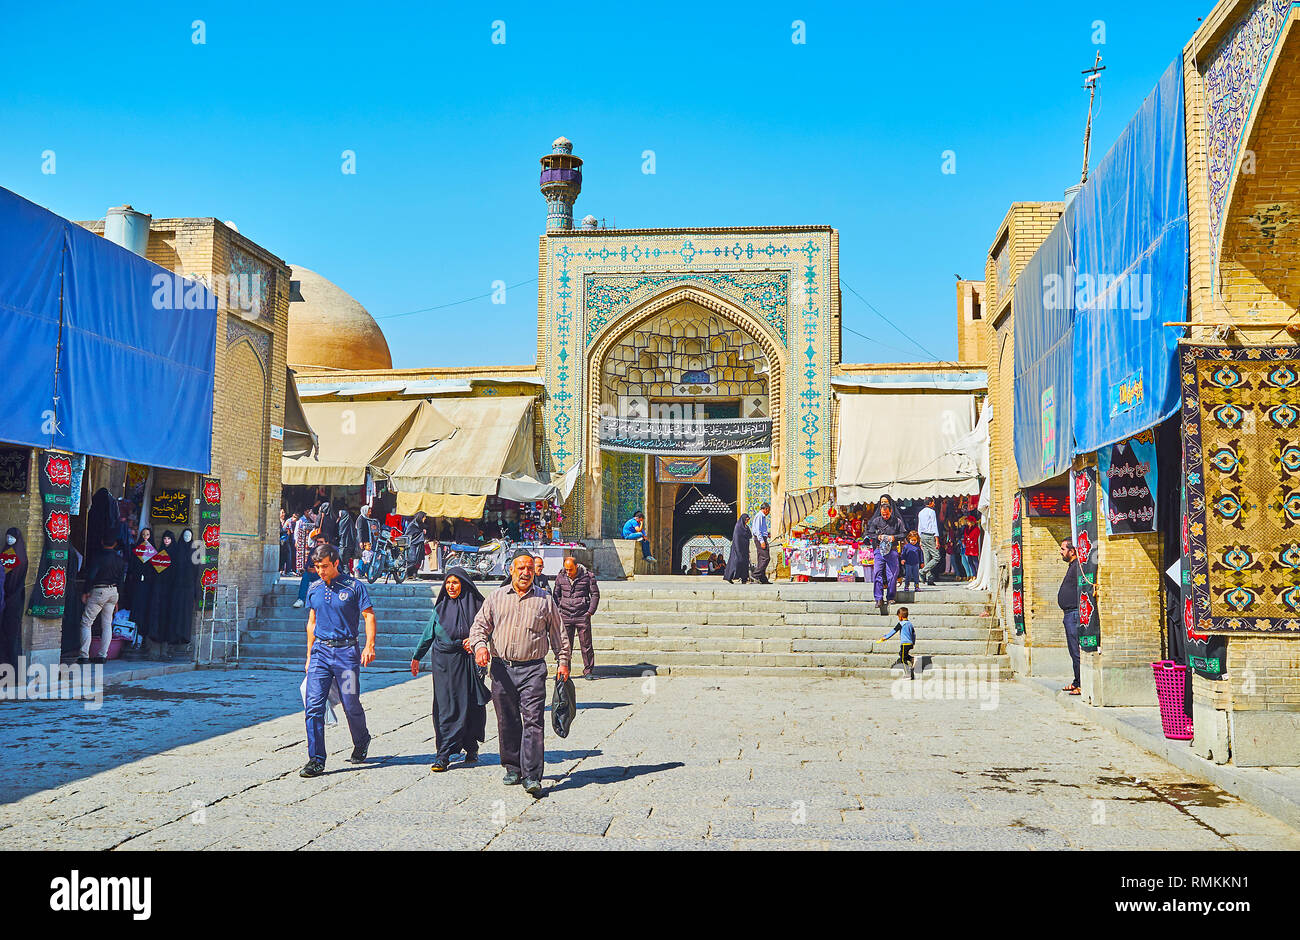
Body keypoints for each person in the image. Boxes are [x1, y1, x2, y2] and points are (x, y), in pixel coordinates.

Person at [469, 552, 571, 798]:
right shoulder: (496, 598)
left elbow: (559, 633)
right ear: (511, 570)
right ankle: (513, 767)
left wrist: (563, 661)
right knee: (507, 720)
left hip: (533, 669)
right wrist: (480, 646)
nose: (525, 572)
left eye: (529, 568)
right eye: (520, 568)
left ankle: (533, 775)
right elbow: (479, 627)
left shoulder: (545, 600)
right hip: (502, 669)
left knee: (534, 720)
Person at [301, 543, 377, 778]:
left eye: (324, 566)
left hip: (346, 654)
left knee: (350, 702)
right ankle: (316, 759)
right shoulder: (313, 588)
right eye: (317, 567)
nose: (321, 571)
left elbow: (368, 615)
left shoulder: (354, 587)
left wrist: (369, 646)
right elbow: (311, 622)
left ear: (335, 563)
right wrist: (308, 655)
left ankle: (361, 739)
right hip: (320, 654)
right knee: (313, 706)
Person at [411, 566, 488, 772]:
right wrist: (417, 656)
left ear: (464, 583)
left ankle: (471, 746)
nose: (451, 586)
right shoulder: (440, 609)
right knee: (446, 706)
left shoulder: (478, 605)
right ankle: (443, 754)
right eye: (448, 582)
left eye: (455, 582)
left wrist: (475, 641)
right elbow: (428, 634)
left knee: (471, 704)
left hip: (468, 662)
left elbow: (489, 629)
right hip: (444, 663)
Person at [552, 555, 600, 679]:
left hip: (582, 614)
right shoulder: (560, 576)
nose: (568, 572)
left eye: (571, 569)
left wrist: (590, 612)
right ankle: (564, 669)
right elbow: (556, 594)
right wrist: (559, 609)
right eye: (566, 569)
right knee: (565, 645)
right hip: (565, 615)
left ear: (576, 567)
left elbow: (595, 594)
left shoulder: (588, 576)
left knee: (586, 644)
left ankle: (588, 670)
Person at [79, 536, 125, 664]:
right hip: (113, 592)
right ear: (115, 543)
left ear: (102, 541)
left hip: (99, 591)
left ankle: (84, 655)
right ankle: (102, 655)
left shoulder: (98, 557)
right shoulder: (119, 559)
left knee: (86, 622)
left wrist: (85, 591)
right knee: (107, 624)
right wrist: (117, 600)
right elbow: (121, 581)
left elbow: (91, 576)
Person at [866, 495, 907, 613]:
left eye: (887, 514)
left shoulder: (897, 521)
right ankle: (878, 599)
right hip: (879, 551)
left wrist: (894, 538)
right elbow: (870, 533)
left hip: (892, 551)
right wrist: (877, 537)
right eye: (883, 514)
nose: (885, 516)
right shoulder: (876, 521)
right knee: (877, 573)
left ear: (891, 511)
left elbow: (903, 534)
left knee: (892, 575)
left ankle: (890, 597)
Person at [162, 528, 198, 655]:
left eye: (190, 535)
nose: (187, 537)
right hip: (177, 587)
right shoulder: (177, 550)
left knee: (186, 614)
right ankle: (174, 638)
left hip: (188, 587)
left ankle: (184, 638)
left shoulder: (196, 551)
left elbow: (197, 572)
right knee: (176, 612)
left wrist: (196, 591)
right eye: (185, 535)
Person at [2, 527, 29, 671]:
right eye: (8, 536)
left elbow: (4, 580)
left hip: (8, 599)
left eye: (12, 537)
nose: (9, 539)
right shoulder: (22, 553)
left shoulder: (10, 556)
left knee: (8, 636)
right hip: (17, 599)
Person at [1058, 539, 1081, 695]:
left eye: (1063, 548)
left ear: (1072, 551)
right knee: (1073, 650)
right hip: (1069, 614)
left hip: (1074, 613)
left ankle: (1082, 683)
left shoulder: (1078, 566)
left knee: (1077, 650)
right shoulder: (1072, 566)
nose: (1061, 551)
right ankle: (1076, 681)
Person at [879, 606, 917, 679]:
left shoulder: (901, 624)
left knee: (903, 659)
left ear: (900, 617)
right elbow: (914, 634)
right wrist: (913, 643)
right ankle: (912, 659)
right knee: (902, 654)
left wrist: (885, 637)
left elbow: (893, 631)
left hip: (904, 643)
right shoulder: (910, 624)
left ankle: (908, 674)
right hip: (910, 643)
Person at [293, 533, 328, 608]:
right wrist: (312, 569)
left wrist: (317, 568)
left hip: (327, 575)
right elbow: (308, 566)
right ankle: (301, 599)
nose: (319, 544)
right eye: (317, 542)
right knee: (306, 576)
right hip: (315, 574)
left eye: (321, 542)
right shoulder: (313, 551)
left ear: (326, 543)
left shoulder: (331, 552)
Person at [724, 513, 752, 584]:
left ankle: (744, 579)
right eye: (746, 520)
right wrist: (737, 550)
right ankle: (729, 577)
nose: (747, 521)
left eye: (748, 520)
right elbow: (736, 539)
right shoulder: (738, 527)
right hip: (737, 548)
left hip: (745, 549)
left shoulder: (746, 527)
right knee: (736, 563)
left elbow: (750, 535)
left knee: (745, 563)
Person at [917, 497, 940, 586]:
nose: (934, 504)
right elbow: (934, 525)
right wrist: (937, 539)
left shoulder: (921, 512)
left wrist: (920, 538)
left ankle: (928, 577)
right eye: (933, 502)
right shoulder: (932, 512)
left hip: (922, 535)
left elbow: (919, 525)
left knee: (927, 556)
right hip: (929, 535)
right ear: (930, 503)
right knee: (936, 556)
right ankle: (922, 571)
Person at [750, 502, 772, 585]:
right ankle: (756, 574)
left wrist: (767, 534)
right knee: (766, 558)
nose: (769, 512)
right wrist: (762, 541)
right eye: (768, 510)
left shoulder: (762, 517)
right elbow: (757, 530)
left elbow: (761, 529)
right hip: (760, 539)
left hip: (762, 537)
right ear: (765, 509)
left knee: (761, 558)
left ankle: (762, 578)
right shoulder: (760, 516)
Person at [404, 511, 427, 578]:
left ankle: (414, 575)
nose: (425, 519)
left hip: (419, 545)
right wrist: (421, 532)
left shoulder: (420, 525)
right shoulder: (413, 525)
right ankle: (406, 573)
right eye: (424, 517)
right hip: (413, 544)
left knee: (418, 560)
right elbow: (409, 534)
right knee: (412, 560)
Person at [336, 507, 357, 576]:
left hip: (343, 545)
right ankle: (346, 575)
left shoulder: (342, 523)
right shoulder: (351, 524)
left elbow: (340, 533)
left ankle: (346, 575)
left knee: (343, 562)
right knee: (346, 562)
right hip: (349, 546)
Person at [294, 509, 315, 574]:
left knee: (307, 556)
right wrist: (296, 540)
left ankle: (305, 570)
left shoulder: (310, 520)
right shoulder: (300, 520)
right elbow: (296, 531)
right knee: (300, 556)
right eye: (308, 512)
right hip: (301, 541)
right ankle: (299, 571)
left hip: (307, 542)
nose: (309, 513)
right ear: (305, 512)